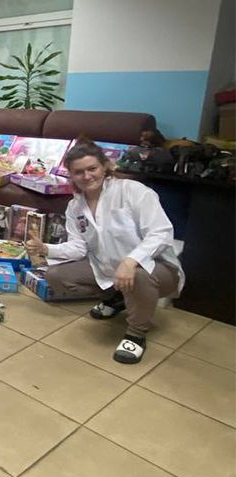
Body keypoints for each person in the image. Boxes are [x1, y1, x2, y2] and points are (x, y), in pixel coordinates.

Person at [25, 138, 183, 364]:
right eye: (79, 172)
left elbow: (161, 233)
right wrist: (45, 248)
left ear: (105, 167)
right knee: (56, 276)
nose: (87, 176)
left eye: (92, 168)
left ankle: (136, 334)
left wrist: (131, 261)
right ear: (71, 175)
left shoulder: (133, 191)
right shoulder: (75, 207)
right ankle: (116, 298)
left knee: (139, 276)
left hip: (157, 269)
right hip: (110, 269)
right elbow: (78, 247)